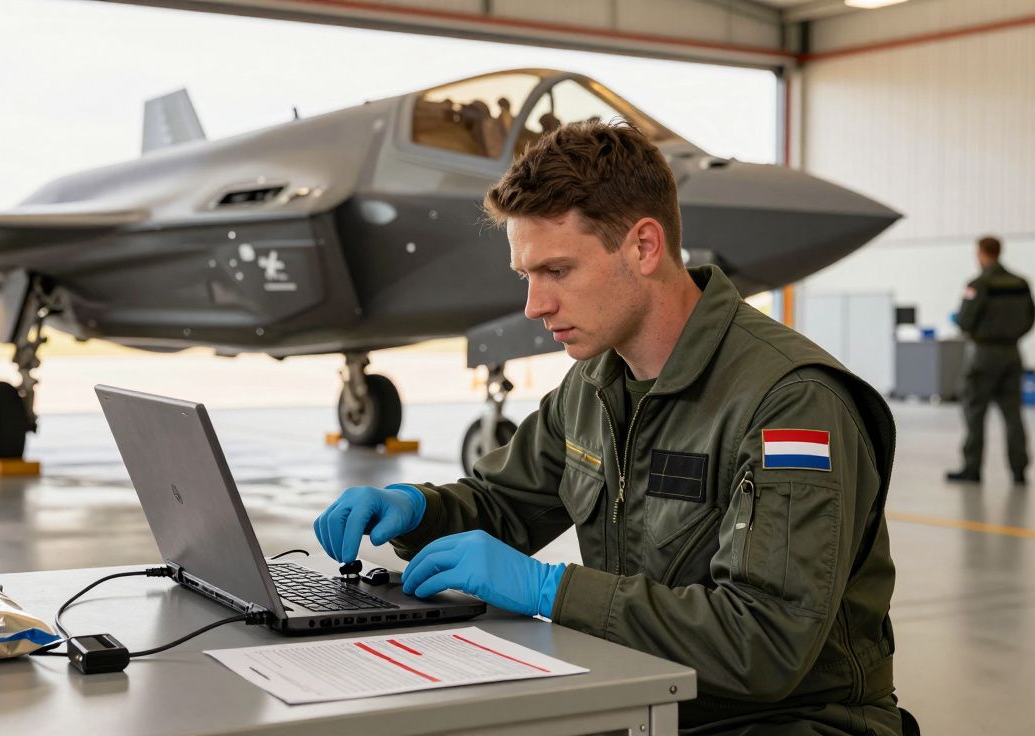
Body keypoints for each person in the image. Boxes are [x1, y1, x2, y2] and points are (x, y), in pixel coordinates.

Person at [314, 120, 904, 734]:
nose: (534, 305)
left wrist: (551, 592)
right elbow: (504, 503)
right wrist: (414, 511)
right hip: (647, 697)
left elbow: (765, 645)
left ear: (644, 247)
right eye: (527, 276)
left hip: (793, 721)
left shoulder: (792, 402)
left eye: (558, 271)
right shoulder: (595, 383)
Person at [946, 235, 1035, 484]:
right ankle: (1019, 470)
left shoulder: (978, 284)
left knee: (975, 411)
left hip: (984, 354)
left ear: (982, 253)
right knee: (1013, 414)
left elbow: (965, 320)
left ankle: (972, 468)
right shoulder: (1021, 283)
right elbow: (1030, 318)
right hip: (1012, 353)